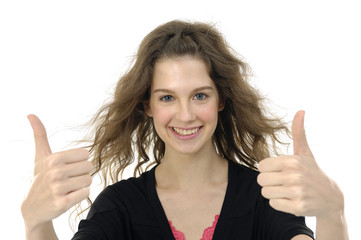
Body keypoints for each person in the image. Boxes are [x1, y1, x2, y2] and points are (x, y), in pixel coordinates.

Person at [21, 20, 348, 240]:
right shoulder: (119, 205)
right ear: (148, 105)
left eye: (200, 95)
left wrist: (333, 213)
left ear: (221, 99)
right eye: (167, 97)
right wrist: (37, 223)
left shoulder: (262, 198)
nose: (186, 114)